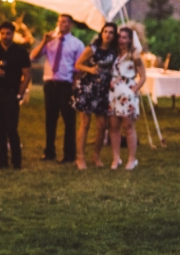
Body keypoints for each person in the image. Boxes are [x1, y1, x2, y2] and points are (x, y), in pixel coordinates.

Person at [30, 14, 85, 163]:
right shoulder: (50, 41)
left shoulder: (77, 44)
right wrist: (44, 41)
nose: (62, 24)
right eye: (60, 21)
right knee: (50, 119)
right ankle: (49, 151)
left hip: (66, 84)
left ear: (71, 25)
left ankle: (69, 154)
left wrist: (75, 85)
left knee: (69, 120)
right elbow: (33, 57)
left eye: (65, 22)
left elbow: (79, 68)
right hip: (50, 84)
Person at [0, 22, 32, 170]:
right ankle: (2, 161)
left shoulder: (20, 52)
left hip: (11, 93)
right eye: (3, 33)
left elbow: (27, 74)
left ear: (13, 34)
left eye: (8, 33)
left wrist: (20, 93)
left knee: (11, 128)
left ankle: (16, 162)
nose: (5, 36)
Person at [72, 22, 118, 170]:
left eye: (111, 32)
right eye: (105, 31)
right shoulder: (92, 48)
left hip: (104, 89)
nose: (108, 35)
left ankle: (96, 155)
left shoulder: (113, 51)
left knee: (102, 125)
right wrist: (90, 70)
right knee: (85, 123)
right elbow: (77, 64)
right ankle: (80, 158)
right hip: (88, 88)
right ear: (101, 33)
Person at [108, 27, 146, 171]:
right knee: (113, 126)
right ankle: (116, 157)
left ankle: (132, 158)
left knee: (128, 127)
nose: (121, 40)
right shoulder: (114, 54)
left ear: (130, 39)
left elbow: (143, 76)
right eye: (120, 37)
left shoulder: (134, 55)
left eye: (124, 37)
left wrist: (134, 90)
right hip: (113, 92)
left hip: (127, 92)